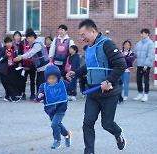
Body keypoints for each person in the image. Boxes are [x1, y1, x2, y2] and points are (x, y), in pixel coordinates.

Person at [66, 19, 127, 154]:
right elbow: (90, 66)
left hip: (109, 93)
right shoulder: (89, 48)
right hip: (93, 93)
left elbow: (121, 65)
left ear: (93, 31)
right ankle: (89, 151)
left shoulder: (107, 44)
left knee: (107, 124)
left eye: (83, 35)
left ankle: (118, 132)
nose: (81, 39)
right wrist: (76, 73)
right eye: (80, 35)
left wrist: (109, 81)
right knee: (87, 123)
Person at [35, 65, 75, 149]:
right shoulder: (43, 86)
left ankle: (57, 140)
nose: (52, 80)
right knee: (57, 124)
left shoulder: (63, 83)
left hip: (61, 107)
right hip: (50, 109)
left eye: (54, 78)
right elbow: (38, 97)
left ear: (58, 77)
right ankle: (67, 134)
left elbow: (72, 88)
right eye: (50, 78)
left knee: (54, 124)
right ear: (46, 78)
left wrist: (73, 80)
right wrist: (39, 96)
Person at [133, 29, 155, 102]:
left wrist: (146, 65)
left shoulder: (150, 43)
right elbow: (136, 53)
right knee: (138, 80)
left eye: (143, 33)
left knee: (146, 80)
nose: (141, 35)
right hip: (139, 64)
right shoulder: (139, 43)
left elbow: (150, 55)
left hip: (146, 65)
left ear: (147, 34)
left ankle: (146, 95)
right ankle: (140, 94)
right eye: (141, 33)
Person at [0, 37, 21, 102]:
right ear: (5, 43)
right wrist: (6, 56)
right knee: (7, 84)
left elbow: (16, 58)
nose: (9, 44)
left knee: (12, 83)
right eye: (7, 42)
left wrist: (17, 60)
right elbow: (0, 60)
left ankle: (7, 96)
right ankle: (13, 97)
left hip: (12, 68)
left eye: (10, 42)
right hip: (5, 69)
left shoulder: (13, 50)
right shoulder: (2, 50)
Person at [18, 29, 36, 100]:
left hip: (32, 64)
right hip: (24, 63)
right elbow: (20, 53)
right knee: (23, 80)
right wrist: (20, 63)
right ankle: (23, 93)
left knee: (32, 80)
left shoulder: (35, 43)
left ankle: (32, 94)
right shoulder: (22, 43)